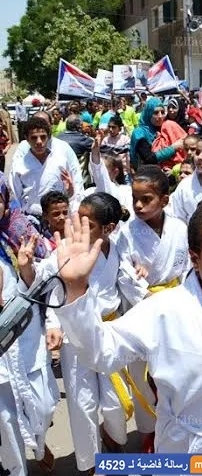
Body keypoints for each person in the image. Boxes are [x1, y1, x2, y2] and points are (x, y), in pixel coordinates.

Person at [53, 198, 202, 455]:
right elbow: (100, 353)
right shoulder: (164, 310)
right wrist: (76, 287)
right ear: (195, 258)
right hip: (188, 453)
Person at [18, 193, 129, 474]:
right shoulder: (66, 249)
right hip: (76, 335)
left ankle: (112, 434)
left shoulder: (118, 246)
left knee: (116, 402)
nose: (78, 226)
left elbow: (129, 282)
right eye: (77, 218)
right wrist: (27, 267)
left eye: (87, 223)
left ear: (109, 228)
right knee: (82, 403)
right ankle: (90, 463)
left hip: (111, 331)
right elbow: (46, 282)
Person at [114, 166, 190, 446]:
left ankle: (177, 430)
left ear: (165, 200)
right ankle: (148, 431)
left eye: (146, 199)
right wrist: (148, 296)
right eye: (135, 198)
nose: (138, 205)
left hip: (178, 305)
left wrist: (183, 298)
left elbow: (189, 267)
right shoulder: (126, 233)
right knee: (142, 372)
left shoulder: (180, 229)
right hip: (143, 308)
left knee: (175, 372)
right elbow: (125, 274)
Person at [0, 180, 59, 476]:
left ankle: (38, 440)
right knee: (6, 420)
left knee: (45, 405)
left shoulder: (20, 233)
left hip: (26, 336)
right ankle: (16, 469)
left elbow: (42, 285)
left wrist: (25, 268)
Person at [9, 115, 84, 219]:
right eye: (34, 137)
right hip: (31, 218)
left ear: (48, 137)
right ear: (27, 139)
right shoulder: (19, 166)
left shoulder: (60, 161)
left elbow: (71, 190)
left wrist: (70, 192)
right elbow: (14, 197)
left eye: (43, 137)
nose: (39, 141)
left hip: (58, 218)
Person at [129, 98, 185, 171]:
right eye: (156, 113)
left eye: (162, 112)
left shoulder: (164, 128)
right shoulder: (140, 133)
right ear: (148, 114)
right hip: (147, 173)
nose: (160, 116)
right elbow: (149, 158)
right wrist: (173, 148)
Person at [90, 131, 133, 214]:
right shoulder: (89, 192)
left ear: (115, 172)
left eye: (104, 170)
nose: (96, 173)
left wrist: (95, 153)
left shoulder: (127, 191)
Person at [100, 115, 131, 180]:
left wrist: (129, 171)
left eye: (113, 127)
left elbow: (128, 157)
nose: (111, 129)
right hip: (109, 174)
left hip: (124, 173)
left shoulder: (126, 140)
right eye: (109, 127)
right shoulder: (105, 140)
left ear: (119, 128)